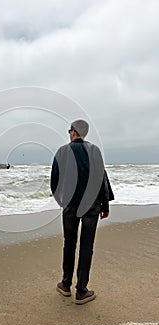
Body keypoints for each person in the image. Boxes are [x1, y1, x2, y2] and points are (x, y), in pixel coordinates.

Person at [50, 119, 114, 305]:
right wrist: (105, 205)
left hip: (70, 205)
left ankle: (65, 284)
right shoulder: (94, 150)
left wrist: (61, 200)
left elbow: (54, 181)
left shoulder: (62, 151)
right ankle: (81, 291)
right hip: (91, 206)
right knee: (87, 246)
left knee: (69, 243)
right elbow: (101, 177)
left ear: (73, 132)